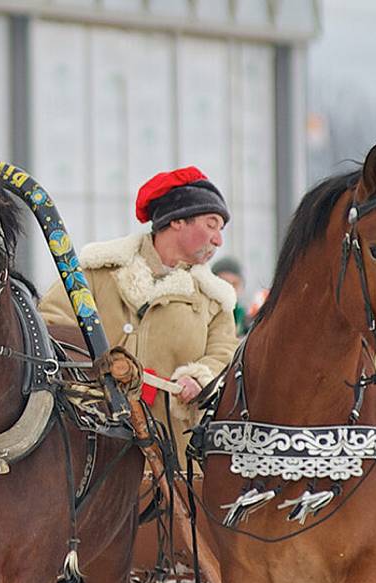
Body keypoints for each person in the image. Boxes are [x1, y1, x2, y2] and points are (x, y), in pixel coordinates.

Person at [39, 165, 238, 453]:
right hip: (87, 446)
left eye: (220, 230)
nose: (219, 240)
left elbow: (225, 354)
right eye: (211, 224)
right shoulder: (94, 272)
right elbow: (52, 324)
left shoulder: (215, 301)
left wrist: (198, 377)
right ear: (177, 221)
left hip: (170, 457)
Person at [210, 256, 250, 334]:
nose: (230, 289)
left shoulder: (246, 321)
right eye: (225, 283)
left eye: (235, 284)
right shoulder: (205, 316)